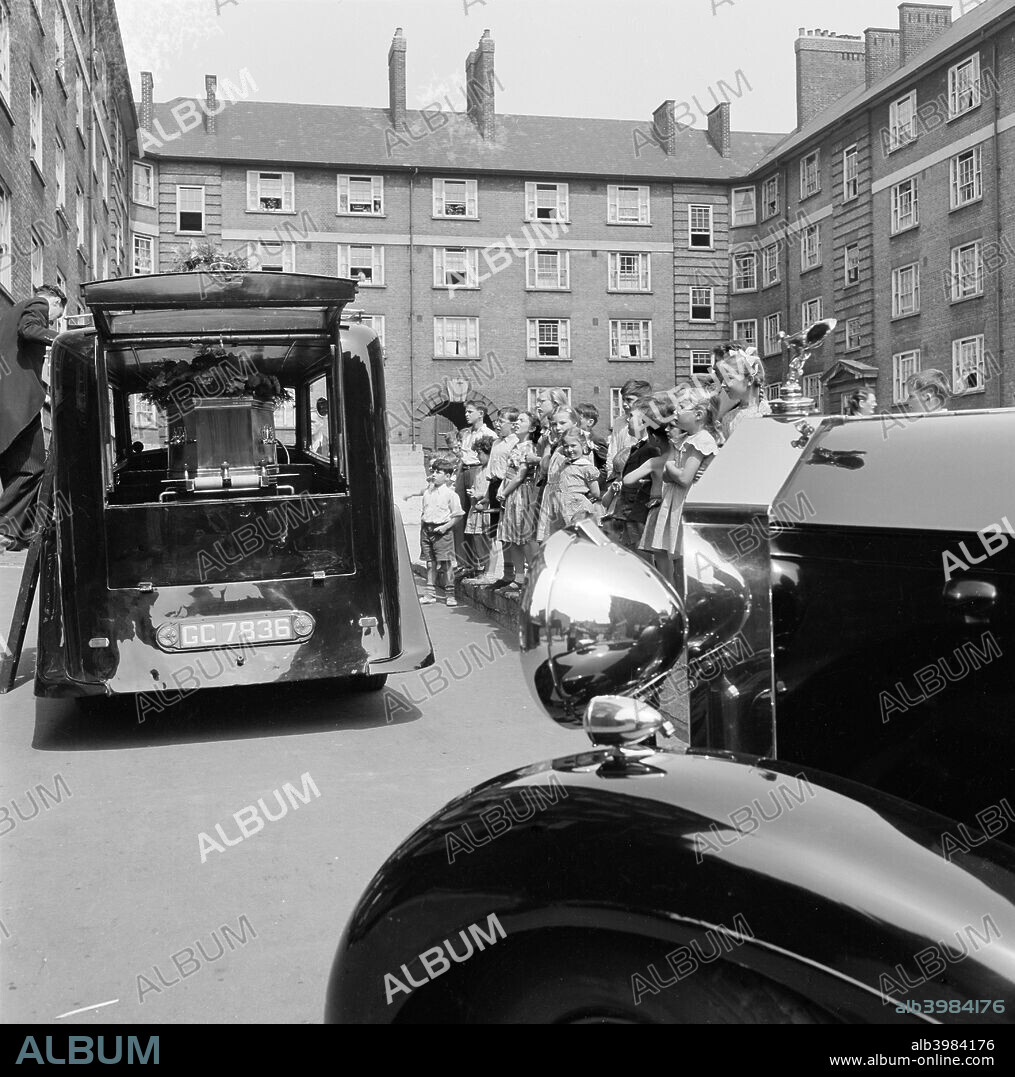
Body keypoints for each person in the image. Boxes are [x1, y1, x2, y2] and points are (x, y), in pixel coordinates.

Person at [0, 284, 67, 551]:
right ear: (54, 301)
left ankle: (19, 533)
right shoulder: (36, 304)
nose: (53, 321)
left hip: (8, 403)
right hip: (18, 403)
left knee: (16, 468)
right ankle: (6, 525)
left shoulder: (9, 313)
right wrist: (63, 340)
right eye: (57, 317)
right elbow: (29, 329)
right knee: (35, 467)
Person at [654, 386, 718, 587]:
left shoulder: (702, 440)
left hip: (687, 502)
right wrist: (672, 469)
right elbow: (666, 476)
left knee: (687, 557)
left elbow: (684, 478)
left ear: (698, 414)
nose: (676, 413)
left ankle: (690, 599)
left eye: (681, 407)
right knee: (676, 557)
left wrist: (670, 466)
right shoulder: (682, 439)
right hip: (675, 502)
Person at [404, 457, 464, 606]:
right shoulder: (428, 491)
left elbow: (458, 515)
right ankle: (430, 593)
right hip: (427, 530)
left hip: (442, 531)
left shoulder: (451, 494)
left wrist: (445, 527)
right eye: (434, 472)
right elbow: (422, 493)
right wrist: (411, 495)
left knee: (446, 564)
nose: (434, 475)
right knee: (430, 563)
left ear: (448, 476)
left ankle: (450, 594)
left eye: (439, 472)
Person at [601, 400, 659, 551]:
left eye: (631, 417)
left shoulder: (651, 448)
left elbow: (651, 479)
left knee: (640, 552)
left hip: (637, 509)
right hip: (627, 510)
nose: (627, 420)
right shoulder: (639, 447)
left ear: (644, 422)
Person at [494, 410, 541, 593]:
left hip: (522, 494)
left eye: (522, 420)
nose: (517, 422)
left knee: (524, 536)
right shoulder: (516, 445)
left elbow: (520, 476)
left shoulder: (528, 447)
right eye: (517, 419)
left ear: (532, 427)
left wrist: (504, 492)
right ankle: (518, 576)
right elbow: (509, 473)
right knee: (512, 538)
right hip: (511, 494)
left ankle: (533, 577)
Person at [453, 401, 495, 576]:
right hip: (464, 472)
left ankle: (479, 562)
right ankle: (464, 562)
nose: (466, 415)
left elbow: (490, 458)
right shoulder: (467, 434)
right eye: (466, 412)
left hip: (478, 471)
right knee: (460, 516)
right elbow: (464, 456)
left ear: (481, 413)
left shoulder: (489, 434)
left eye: (470, 412)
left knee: (476, 519)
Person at [710, 343, 770, 445]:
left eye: (729, 378)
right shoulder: (728, 419)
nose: (724, 384)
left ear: (750, 379)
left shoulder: (767, 414)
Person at [536, 406, 580, 542]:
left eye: (562, 423)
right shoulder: (557, 445)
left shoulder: (580, 444)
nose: (557, 428)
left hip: (571, 497)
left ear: (575, 423)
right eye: (554, 424)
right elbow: (544, 469)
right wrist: (548, 446)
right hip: (552, 496)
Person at [606, 379, 652, 479]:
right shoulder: (619, 422)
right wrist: (611, 475)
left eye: (629, 400)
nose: (624, 404)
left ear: (642, 400)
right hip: (619, 473)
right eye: (623, 399)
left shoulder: (650, 422)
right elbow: (613, 450)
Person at [464, 435, 495, 579]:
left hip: (486, 509)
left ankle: (489, 570)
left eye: (480, 453)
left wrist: (478, 494)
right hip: (476, 510)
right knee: (477, 539)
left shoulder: (492, 469)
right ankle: (481, 567)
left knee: (488, 541)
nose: (478, 456)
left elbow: (491, 490)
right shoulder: (478, 470)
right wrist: (472, 492)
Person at [556, 431, 601, 528]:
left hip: (578, 507)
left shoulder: (585, 466)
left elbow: (596, 492)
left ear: (583, 445)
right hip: (562, 506)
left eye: (573, 446)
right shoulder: (564, 463)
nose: (569, 449)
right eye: (566, 446)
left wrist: (579, 496)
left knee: (578, 531)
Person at [576, 402, 608, 486]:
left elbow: (605, 465)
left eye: (579, 419)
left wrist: (595, 483)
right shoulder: (574, 437)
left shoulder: (596, 439)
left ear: (590, 422)